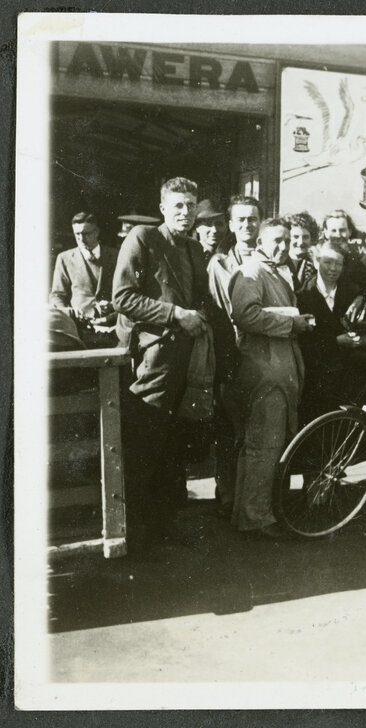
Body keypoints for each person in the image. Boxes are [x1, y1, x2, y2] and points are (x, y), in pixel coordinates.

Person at [112, 177, 213, 543]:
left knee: (173, 443)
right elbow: (123, 297)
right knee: (146, 442)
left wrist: (200, 314)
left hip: (188, 359)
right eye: (178, 206)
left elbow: (199, 298)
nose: (185, 212)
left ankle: (164, 526)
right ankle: (137, 531)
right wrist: (175, 314)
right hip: (154, 359)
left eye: (191, 205)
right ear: (163, 209)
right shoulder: (143, 238)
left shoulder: (194, 248)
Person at [229, 218, 314, 539]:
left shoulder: (275, 272)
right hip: (264, 372)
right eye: (277, 240)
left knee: (261, 445)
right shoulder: (252, 271)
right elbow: (245, 315)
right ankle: (257, 518)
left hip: (276, 370)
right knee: (264, 445)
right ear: (261, 242)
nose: (284, 246)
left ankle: (247, 514)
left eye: (287, 240)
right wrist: (292, 323)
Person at [205, 194, 261, 518]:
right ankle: (228, 494)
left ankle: (256, 497)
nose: (247, 225)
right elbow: (218, 313)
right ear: (230, 224)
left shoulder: (270, 259)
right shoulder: (220, 264)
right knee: (229, 427)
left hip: (264, 354)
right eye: (240, 220)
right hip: (232, 353)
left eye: (252, 219)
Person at [296, 239, 366, 423]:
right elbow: (304, 341)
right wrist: (335, 341)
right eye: (328, 262)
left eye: (338, 263)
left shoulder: (354, 294)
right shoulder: (303, 296)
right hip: (317, 378)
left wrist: (362, 339)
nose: (333, 268)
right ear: (316, 262)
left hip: (349, 378)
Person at [50, 212, 119, 337]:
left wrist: (112, 306)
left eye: (86, 233)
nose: (81, 239)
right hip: (79, 328)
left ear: (97, 232)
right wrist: (69, 314)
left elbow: (127, 292)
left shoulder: (116, 256)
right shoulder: (64, 258)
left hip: (113, 325)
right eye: (77, 234)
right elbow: (57, 296)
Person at [286, 211, 320, 291]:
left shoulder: (315, 263)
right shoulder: (281, 261)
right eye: (296, 237)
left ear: (312, 239)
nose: (300, 242)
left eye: (305, 237)